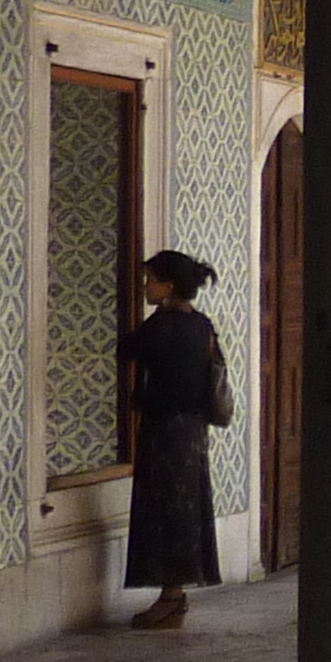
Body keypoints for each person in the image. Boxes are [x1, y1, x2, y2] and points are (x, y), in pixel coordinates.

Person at [121, 249, 226, 629]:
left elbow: (125, 351)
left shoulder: (162, 326)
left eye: (151, 280)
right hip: (193, 433)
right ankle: (173, 596)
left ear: (168, 286)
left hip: (165, 433)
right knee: (184, 512)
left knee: (165, 512)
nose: (146, 287)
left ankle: (170, 596)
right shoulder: (201, 325)